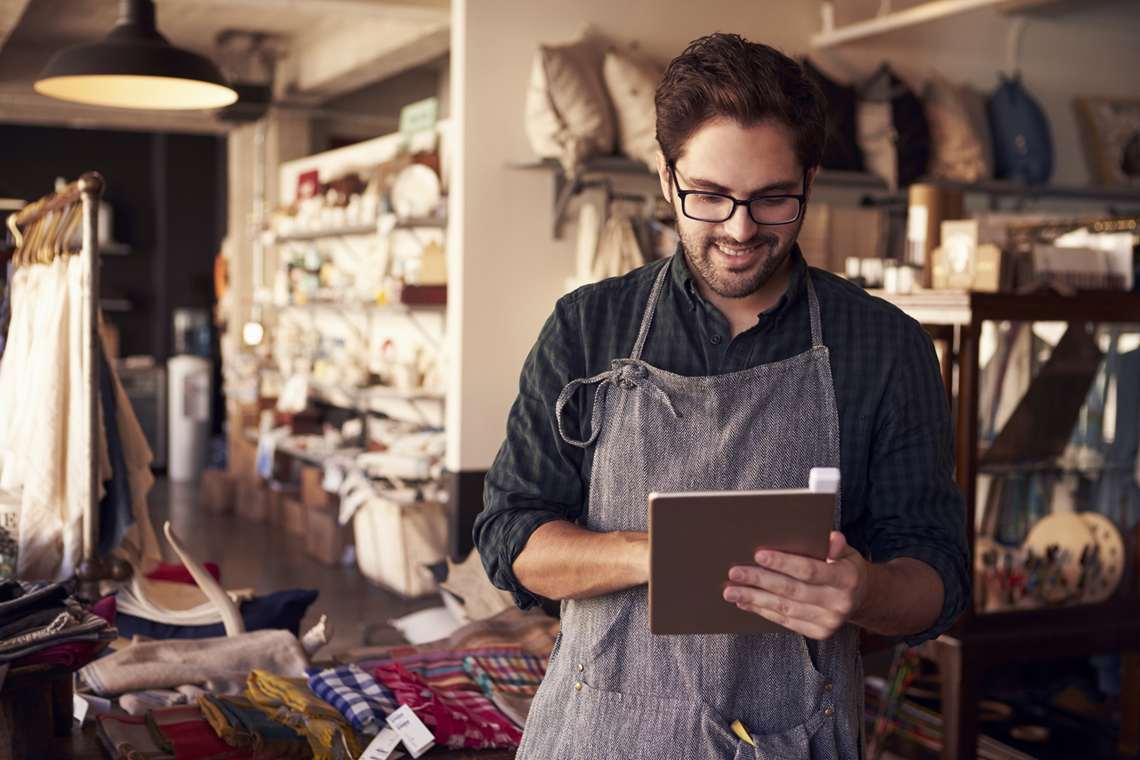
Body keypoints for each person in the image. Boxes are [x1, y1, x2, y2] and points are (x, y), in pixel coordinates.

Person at [474, 33, 969, 759]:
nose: (740, 229)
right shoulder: (587, 328)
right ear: (668, 181)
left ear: (811, 178)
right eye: (709, 197)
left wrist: (862, 592)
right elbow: (509, 537)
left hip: (795, 739)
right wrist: (660, 555)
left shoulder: (885, 346)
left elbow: (940, 577)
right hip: (598, 737)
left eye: (773, 199)